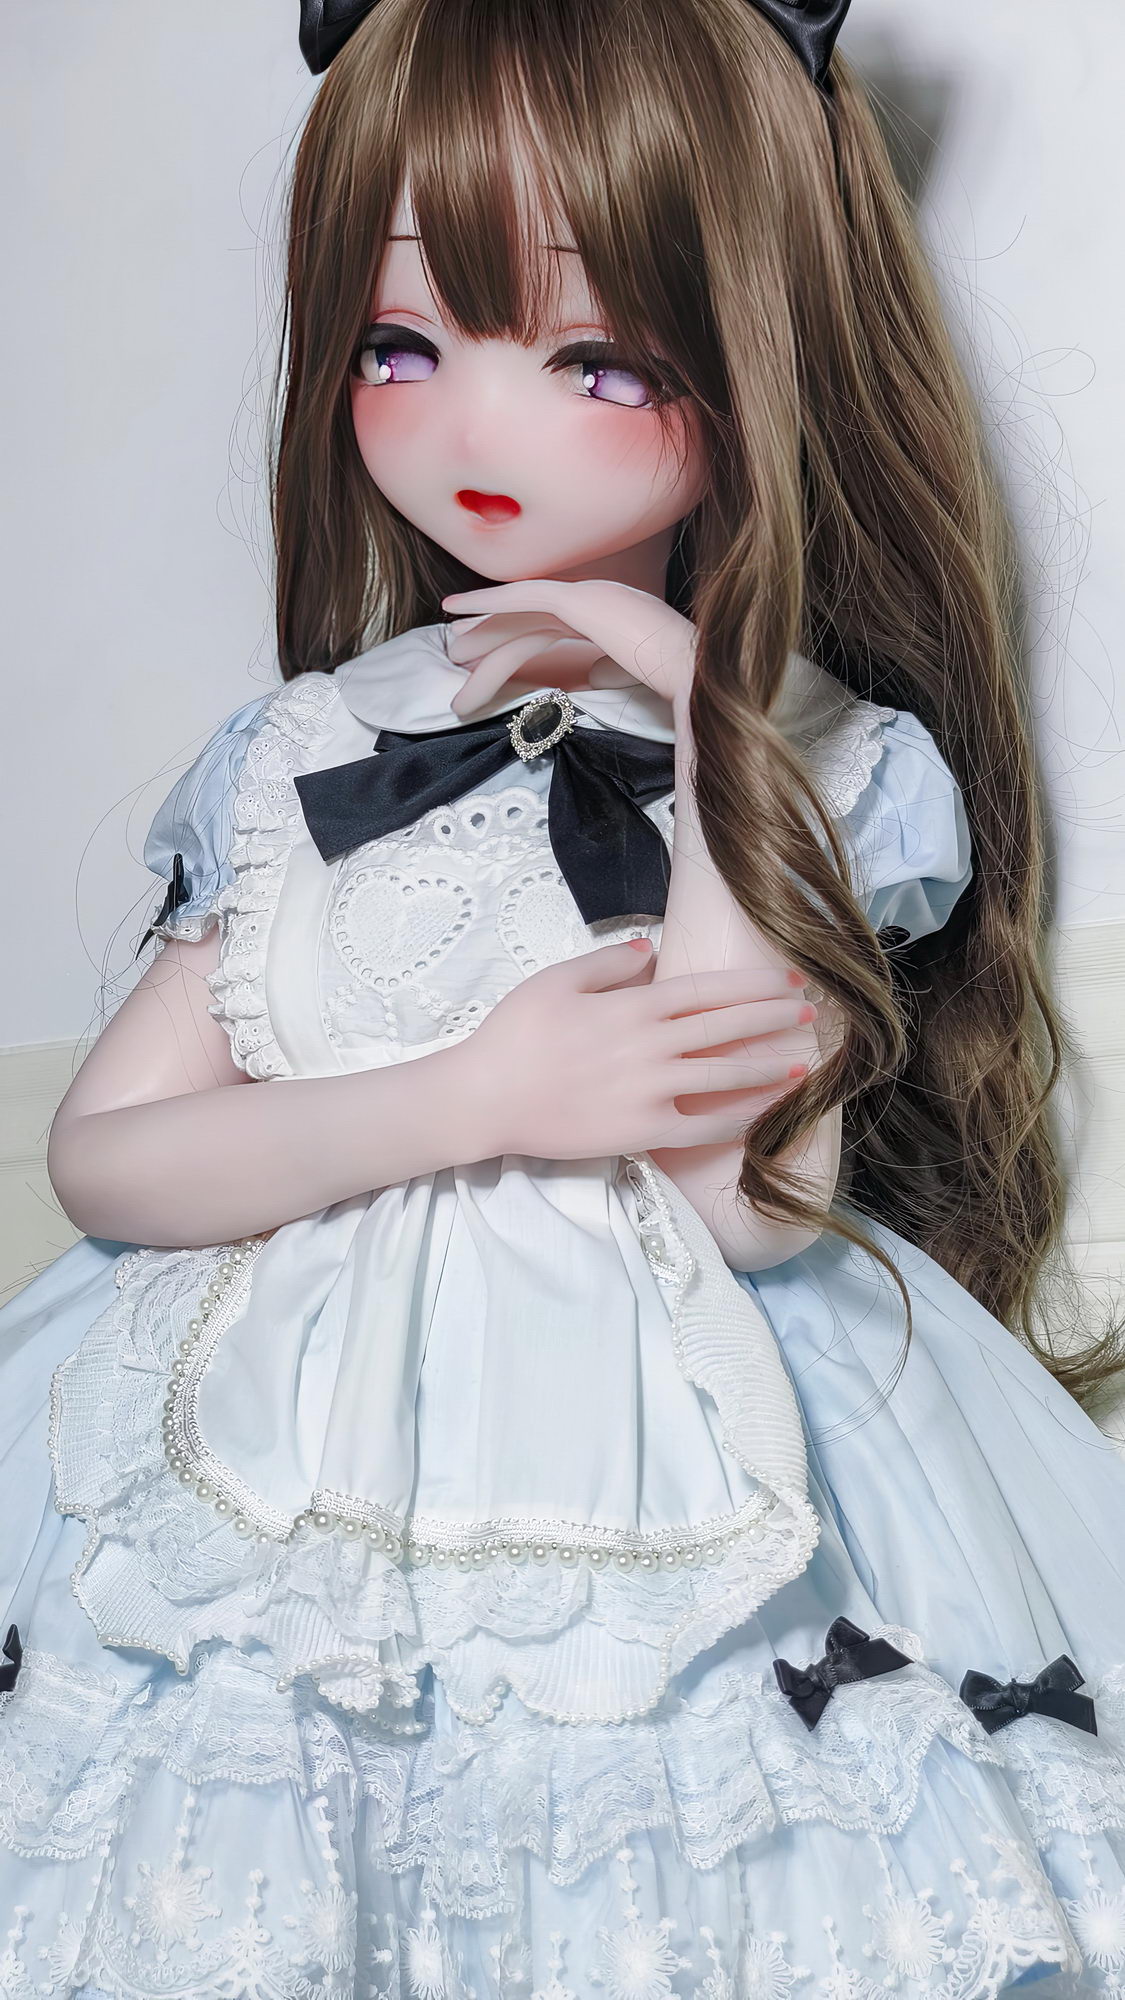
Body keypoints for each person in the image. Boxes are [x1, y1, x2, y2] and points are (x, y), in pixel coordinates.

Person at [3, 1, 1125, 1993]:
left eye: (593, 361)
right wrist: (472, 1096)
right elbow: (108, 1156)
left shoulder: (828, 766)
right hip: (259, 1440)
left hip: (681, 1445)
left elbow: (744, 1205)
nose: (475, 429)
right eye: (400, 344)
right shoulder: (302, 749)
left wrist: (707, 726)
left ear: (750, 358)